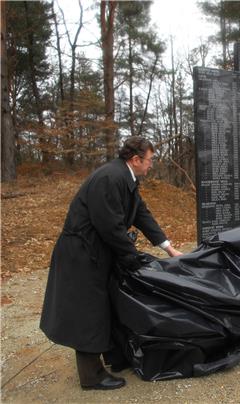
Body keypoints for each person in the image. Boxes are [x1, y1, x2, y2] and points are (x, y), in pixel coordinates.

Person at [40, 136, 183, 390]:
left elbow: (141, 213)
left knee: (106, 305)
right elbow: (110, 227)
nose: (151, 165)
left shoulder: (126, 178)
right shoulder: (110, 178)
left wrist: (168, 247)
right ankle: (92, 376)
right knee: (89, 312)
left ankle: (115, 357)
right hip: (82, 254)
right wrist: (132, 257)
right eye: (150, 160)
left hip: (95, 251)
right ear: (136, 159)